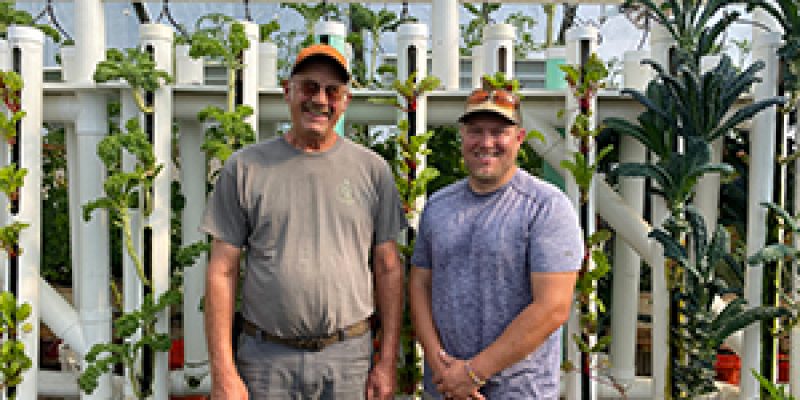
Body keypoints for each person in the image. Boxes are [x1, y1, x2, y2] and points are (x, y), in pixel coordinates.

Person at [202, 44, 407, 400]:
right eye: (309, 87)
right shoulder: (246, 168)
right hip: (266, 360)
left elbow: (388, 267)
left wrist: (387, 362)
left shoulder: (372, 170)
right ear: (288, 91)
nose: (320, 100)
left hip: (348, 360)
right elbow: (221, 271)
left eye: (332, 91)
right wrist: (223, 371)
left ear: (345, 100)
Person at [408, 87, 584, 399]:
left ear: (519, 137)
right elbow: (420, 284)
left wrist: (473, 373)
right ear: (462, 136)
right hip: (445, 388)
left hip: (520, 391)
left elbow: (552, 307)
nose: (486, 143)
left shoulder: (546, 206)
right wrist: (440, 365)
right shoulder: (438, 205)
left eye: (499, 132)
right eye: (475, 131)